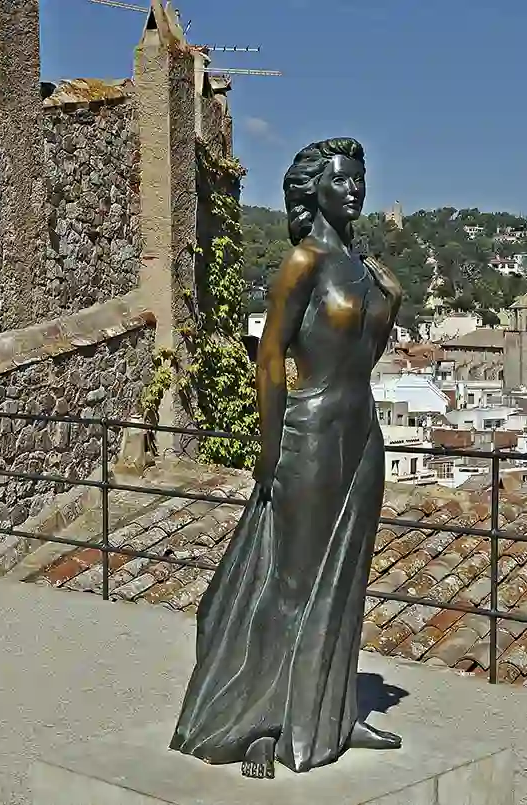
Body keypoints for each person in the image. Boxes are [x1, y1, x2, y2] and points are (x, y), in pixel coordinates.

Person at [170, 138, 403, 778]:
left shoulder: (365, 268)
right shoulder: (303, 263)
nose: (355, 188)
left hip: (361, 436)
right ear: (313, 189)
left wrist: (395, 302)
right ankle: (261, 723)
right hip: (310, 435)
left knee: (345, 580)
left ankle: (329, 716)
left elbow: (363, 360)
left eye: (360, 177)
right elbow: (270, 360)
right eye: (342, 179)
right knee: (292, 582)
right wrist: (268, 454)